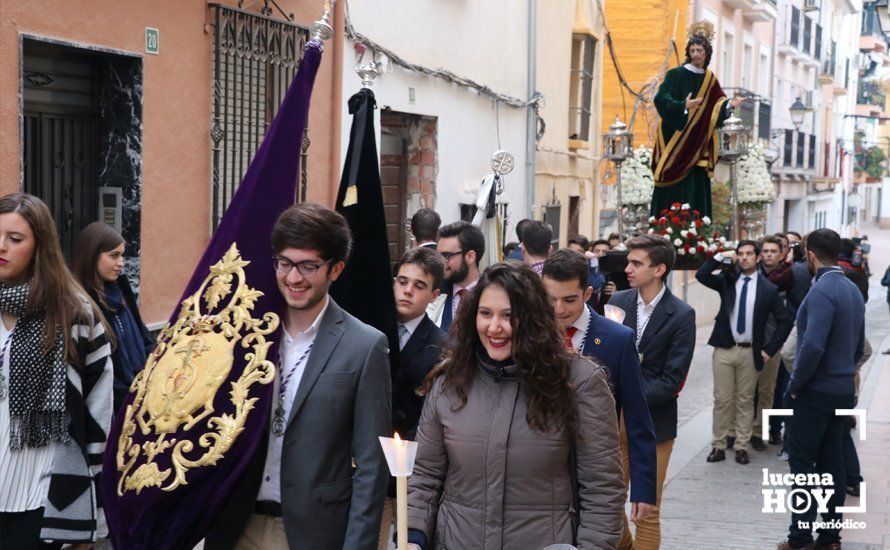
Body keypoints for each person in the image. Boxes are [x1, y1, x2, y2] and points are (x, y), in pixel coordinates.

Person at [205, 203, 391, 550]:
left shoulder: (365, 346)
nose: (293, 278)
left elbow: (371, 467)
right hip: (234, 525)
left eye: (308, 266)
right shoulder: (245, 335)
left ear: (335, 269)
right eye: (285, 263)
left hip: (313, 534)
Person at [406, 262, 625, 549]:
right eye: (486, 314)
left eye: (509, 316)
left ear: (534, 319)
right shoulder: (450, 380)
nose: (495, 327)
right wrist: (413, 536)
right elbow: (424, 476)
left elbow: (602, 490)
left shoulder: (579, 383)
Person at [0, 193, 113, 549]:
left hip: (39, 499)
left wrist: (92, 513)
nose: (1, 246)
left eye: (15, 239)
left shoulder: (74, 315)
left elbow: (97, 417)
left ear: (40, 246)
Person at [542, 250, 657, 536]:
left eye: (569, 299)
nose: (559, 309)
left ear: (588, 292)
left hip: (595, 471)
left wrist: (643, 487)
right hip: (540, 470)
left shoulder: (617, 339)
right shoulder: (531, 335)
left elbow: (637, 416)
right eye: (550, 299)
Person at [778, 229, 865, 550]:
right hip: (842, 389)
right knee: (833, 465)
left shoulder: (821, 292)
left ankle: (799, 538)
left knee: (802, 467)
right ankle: (829, 538)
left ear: (810, 254)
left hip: (816, 392)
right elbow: (859, 347)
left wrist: (796, 385)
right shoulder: (852, 289)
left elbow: (811, 346)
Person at [607, 235, 695, 550]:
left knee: (647, 509)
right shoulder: (617, 303)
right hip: (614, 424)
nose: (627, 268)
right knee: (607, 504)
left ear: (658, 269)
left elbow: (673, 378)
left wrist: (631, 392)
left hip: (655, 425)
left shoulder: (682, 314)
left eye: (636, 263)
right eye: (628, 262)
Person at [696, 240, 792, 465]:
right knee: (722, 399)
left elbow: (784, 321)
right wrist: (720, 256)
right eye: (741, 254)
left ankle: (741, 446)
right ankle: (718, 446)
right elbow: (702, 275)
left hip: (751, 351)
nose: (745, 258)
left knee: (745, 400)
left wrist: (770, 349)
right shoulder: (727, 281)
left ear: (757, 257)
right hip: (724, 349)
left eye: (749, 254)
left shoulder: (768, 289)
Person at [379, 247, 447, 550]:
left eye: (419, 286)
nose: (407, 291)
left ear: (434, 295)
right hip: (367, 469)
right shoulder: (373, 329)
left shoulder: (440, 347)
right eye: (402, 281)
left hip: (410, 469)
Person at [650, 22, 743, 218]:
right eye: (692, 50)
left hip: (698, 142)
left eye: (699, 50)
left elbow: (718, 104)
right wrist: (682, 106)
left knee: (696, 183)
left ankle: (696, 228)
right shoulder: (675, 75)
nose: (696, 53)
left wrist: (730, 105)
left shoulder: (710, 79)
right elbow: (660, 99)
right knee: (673, 183)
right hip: (675, 137)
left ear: (707, 52)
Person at [72, 222, 154, 413]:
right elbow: (90, 368)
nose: (121, 263)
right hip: (113, 407)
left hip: (142, 396)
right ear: (92, 256)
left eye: (122, 256)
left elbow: (143, 337)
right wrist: (130, 400)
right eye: (114, 256)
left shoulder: (122, 291)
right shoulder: (80, 304)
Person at [750, 235, 790, 452]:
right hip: (749, 341)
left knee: (768, 391)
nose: (768, 255)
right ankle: (741, 432)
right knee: (746, 391)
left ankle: (761, 431)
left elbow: (788, 315)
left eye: (773, 251)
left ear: (781, 253)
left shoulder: (788, 277)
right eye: (765, 251)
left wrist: (775, 345)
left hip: (773, 343)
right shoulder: (748, 275)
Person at [428, 221, 484, 331]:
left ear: (470, 257)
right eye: (438, 256)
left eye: (447, 256)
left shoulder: (491, 292)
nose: (441, 263)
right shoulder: (435, 294)